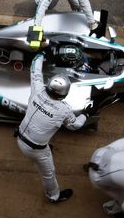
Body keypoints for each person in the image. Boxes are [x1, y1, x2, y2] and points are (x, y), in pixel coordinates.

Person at [15, 53, 87, 203]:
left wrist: (41, 54)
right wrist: (86, 114)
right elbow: (76, 126)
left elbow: (35, 70)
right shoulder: (64, 110)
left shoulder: (38, 89)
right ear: (64, 94)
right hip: (36, 150)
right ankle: (53, 196)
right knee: (49, 174)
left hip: (20, 138)